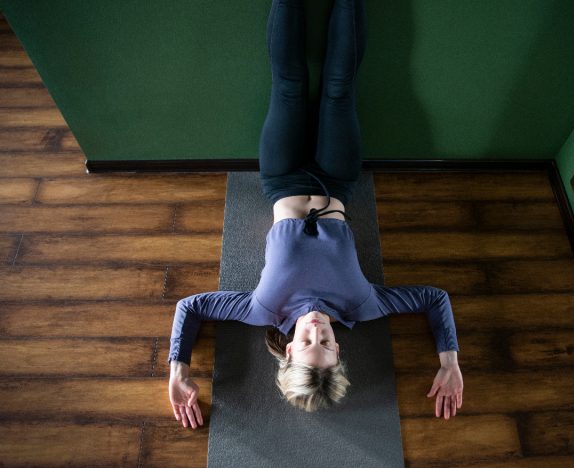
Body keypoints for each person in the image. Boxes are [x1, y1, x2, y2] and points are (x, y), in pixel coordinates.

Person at [168, 0, 463, 430]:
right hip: (337, 179)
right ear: (337, 350)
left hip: (282, 177)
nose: (315, 328)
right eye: (325, 340)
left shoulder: (262, 309)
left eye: (306, 340)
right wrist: (449, 361)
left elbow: (190, 306)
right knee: (339, 87)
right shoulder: (363, 306)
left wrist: (178, 370)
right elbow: (434, 298)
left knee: (288, 83)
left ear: (288, 349)